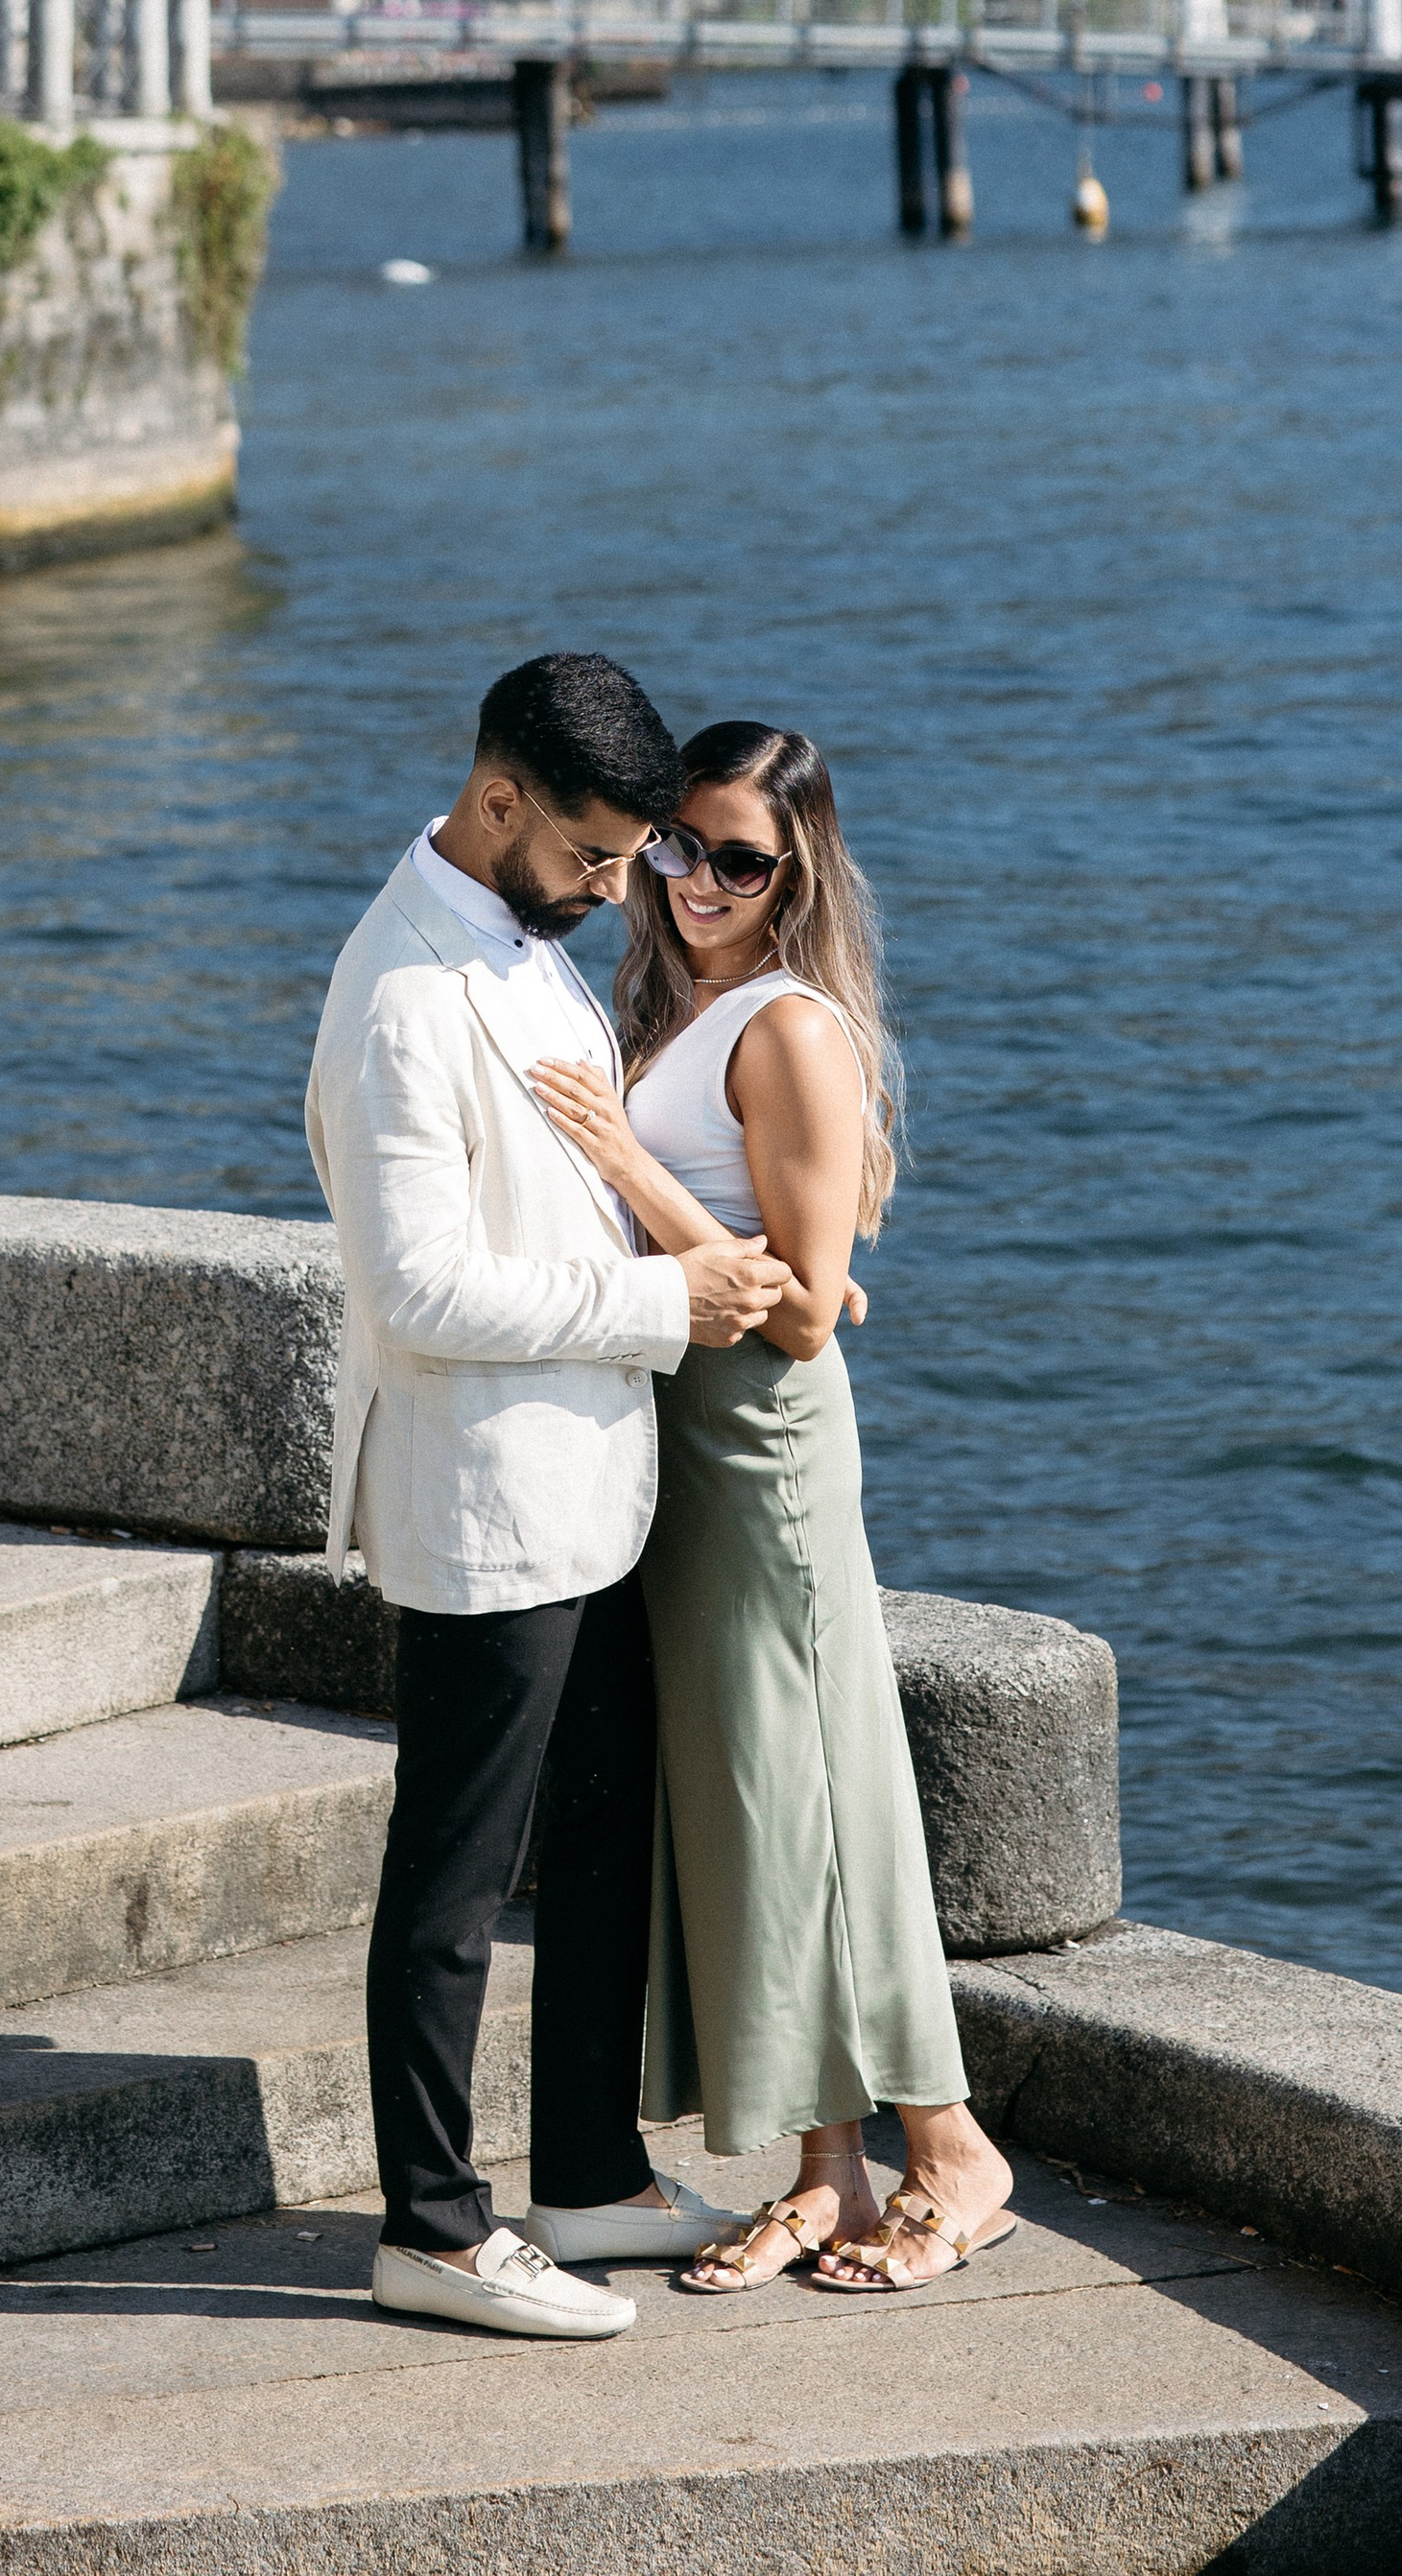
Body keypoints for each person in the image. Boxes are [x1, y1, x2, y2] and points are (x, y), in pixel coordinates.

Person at [306, 653, 792, 2342]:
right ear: (499, 801)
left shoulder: (527, 951)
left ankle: (585, 2173)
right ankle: (431, 2228)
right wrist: (674, 1302)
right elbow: (417, 1292)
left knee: (599, 1845)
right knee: (452, 1880)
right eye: (597, 856)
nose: (619, 890)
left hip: (593, 1482)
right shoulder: (404, 997)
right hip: (482, 1496)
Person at [529, 718, 1017, 2296]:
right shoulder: (691, 1005)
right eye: (674, 846)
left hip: (761, 1453)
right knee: (754, 1797)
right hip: (686, 1441)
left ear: (797, 867)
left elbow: (802, 1309)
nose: (698, 881)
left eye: (740, 858)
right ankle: (831, 2171)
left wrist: (624, 1158)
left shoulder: (790, 1026)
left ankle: (952, 2151)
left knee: (817, 1791)